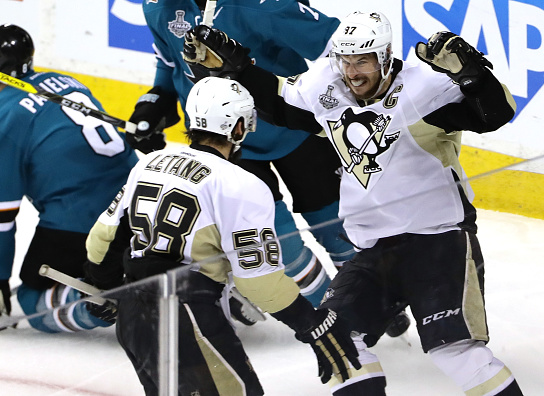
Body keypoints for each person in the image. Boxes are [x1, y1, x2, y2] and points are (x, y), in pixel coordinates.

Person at [183, 10, 523, 396]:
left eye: (362, 60)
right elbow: (281, 107)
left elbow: (496, 114)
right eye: (345, 59)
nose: (352, 71)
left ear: (385, 56)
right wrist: (240, 70)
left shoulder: (423, 88)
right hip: (374, 249)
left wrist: (475, 79)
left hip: (437, 239)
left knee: (456, 352)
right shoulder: (326, 86)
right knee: (338, 342)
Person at [84, 76, 360, 395]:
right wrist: (309, 324)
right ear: (238, 128)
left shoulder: (148, 164)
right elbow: (258, 281)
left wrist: (110, 289)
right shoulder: (241, 185)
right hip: (189, 319)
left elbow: (101, 240)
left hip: (134, 320)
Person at [126, 0, 358, 317]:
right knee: (280, 246)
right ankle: (335, 316)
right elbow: (169, 62)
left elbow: (344, 47)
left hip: (293, 130)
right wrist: (155, 101)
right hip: (223, 143)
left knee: (337, 230)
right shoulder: (159, 7)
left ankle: (367, 296)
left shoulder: (260, 5)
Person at [0, 24, 138, 332]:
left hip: (81, 218)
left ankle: (95, 305)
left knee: (30, 297)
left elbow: (3, 219)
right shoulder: (62, 79)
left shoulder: (5, 118)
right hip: (140, 199)